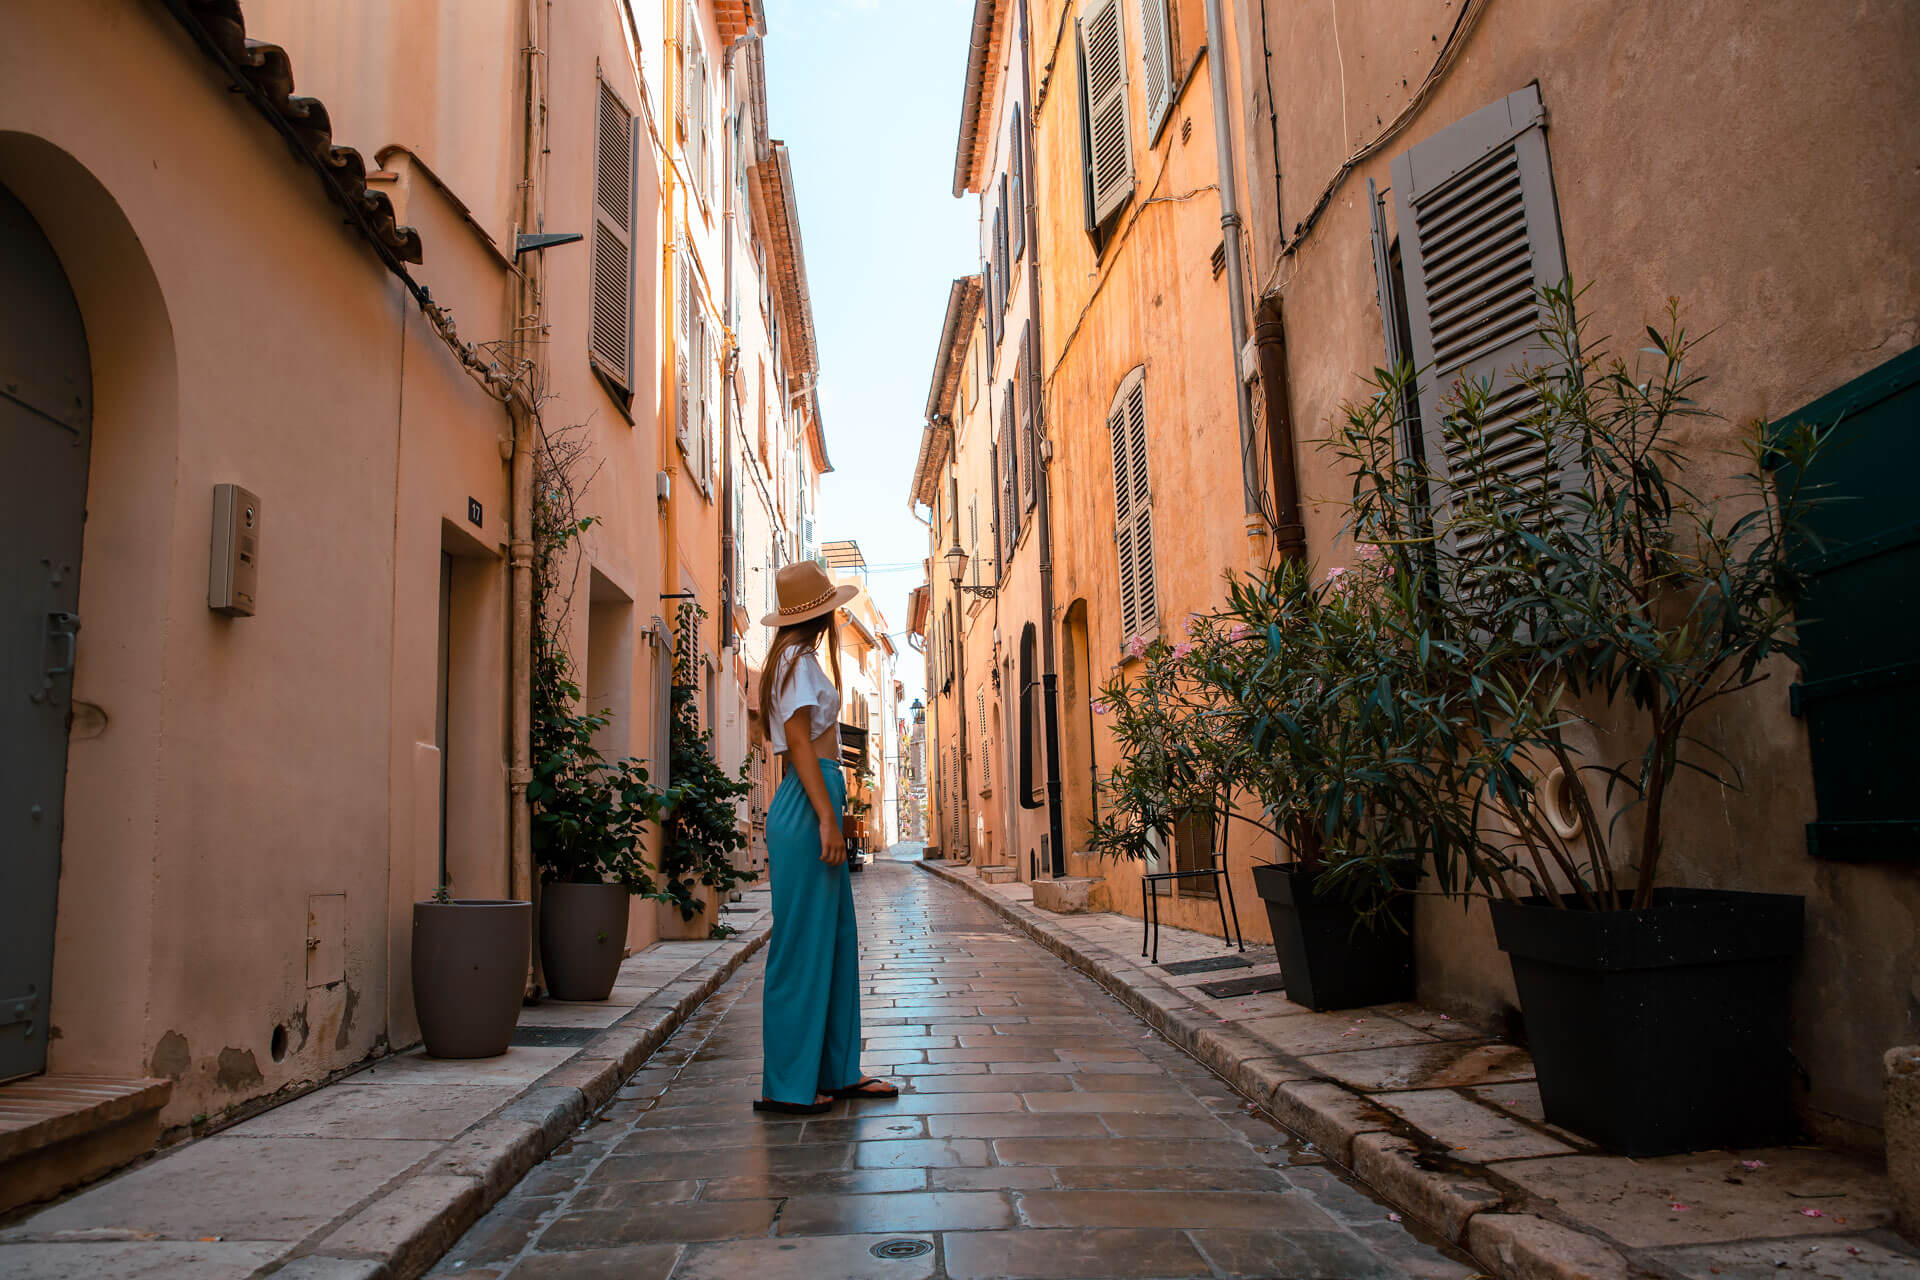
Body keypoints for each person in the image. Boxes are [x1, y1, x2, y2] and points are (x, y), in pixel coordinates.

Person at [753, 561, 897, 1115]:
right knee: (800, 950)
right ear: (820, 613)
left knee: (834, 943)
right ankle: (786, 1085)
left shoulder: (796, 659)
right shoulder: (795, 661)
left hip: (814, 800)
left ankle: (838, 1071)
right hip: (806, 805)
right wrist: (828, 819)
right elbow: (797, 743)